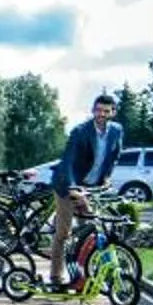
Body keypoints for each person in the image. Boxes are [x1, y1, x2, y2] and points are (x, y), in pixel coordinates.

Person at [50, 91, 125, 288]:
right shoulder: (80, 132)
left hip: (91, 187)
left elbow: (115, 155)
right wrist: (73, 188)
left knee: (90, 231)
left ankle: (83, 275)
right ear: (93, 110)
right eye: (98, 110)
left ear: (113, 113)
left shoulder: (116, 130)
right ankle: (56, 278)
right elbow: (68, 161)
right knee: (63, 233)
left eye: (106, 111)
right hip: (67, 184)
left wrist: (107, 176)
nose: (101, 114)